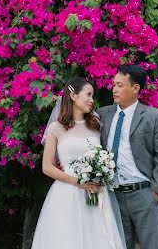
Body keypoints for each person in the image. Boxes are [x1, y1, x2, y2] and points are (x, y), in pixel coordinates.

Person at [31, 77, 126, 249]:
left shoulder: (96, 124)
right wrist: (80, 183)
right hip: (67, 194)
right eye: (88, 95)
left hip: (95, 193)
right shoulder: (56, 128)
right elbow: (47, 167)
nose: (91, 100)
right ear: (73, 96)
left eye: (93, 96)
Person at [97, 65, 158, 249]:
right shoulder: (102, 114)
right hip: (113, 195)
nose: (114, 89)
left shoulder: (153, 116)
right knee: (119, 245)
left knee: (152, 245)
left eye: (120, 85)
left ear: (135, 88)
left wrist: (157, 190)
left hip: (144, 194)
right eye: (113, 84)